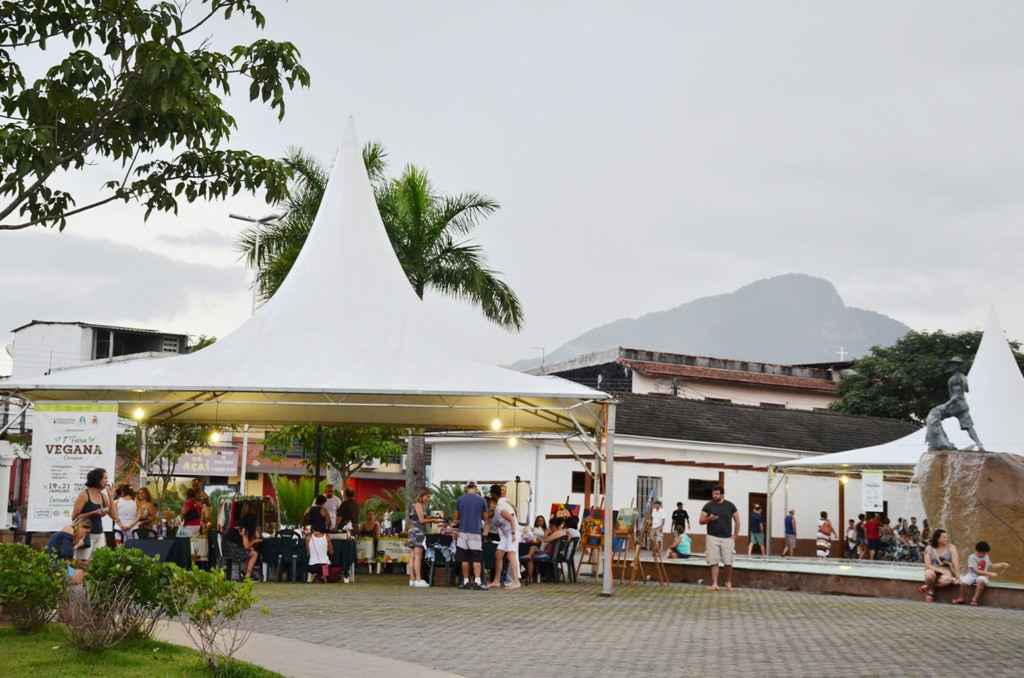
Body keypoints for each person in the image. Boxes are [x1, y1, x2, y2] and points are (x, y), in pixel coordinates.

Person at [699, 486, 740, 591]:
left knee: (728, 562)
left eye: (717, 494)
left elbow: (737, 520)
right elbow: (701, 521)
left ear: (722, 494)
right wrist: (709, 518)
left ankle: (728, 583)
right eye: (714, 494)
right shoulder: (708, 506)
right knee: (713, 561)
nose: (715, 496)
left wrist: (735, 535)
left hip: (727, 538)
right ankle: (715, 584)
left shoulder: (730, 506)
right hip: (712, 537)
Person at [71, 468, 112, 564]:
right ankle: (71, 577)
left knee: (98, 562)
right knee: (80, 563)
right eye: (105, 478)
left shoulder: (103, 496)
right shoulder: (84, 495)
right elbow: (74, 517)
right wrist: (93, 513)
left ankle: (89, 579)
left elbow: (112, 513)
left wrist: (110, 495)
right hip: (85, 535)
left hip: (99, 534)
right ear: (97, 479)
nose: (107, 481)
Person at [955, 541, 1009, 606]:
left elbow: (991, 565)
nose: (984, 554)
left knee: (981, 581)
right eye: (983, 553)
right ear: (977, 551)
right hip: (972, 575)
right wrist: (989, 573)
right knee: (963, 582)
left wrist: (1002, 564)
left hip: (983, 576)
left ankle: (974, 600)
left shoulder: (986, 556)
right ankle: (961, 598)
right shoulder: (971, 557)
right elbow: (975, 570)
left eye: (985, 553)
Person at [454, 481, 487, 590]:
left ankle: (466, 581)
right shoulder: (482, 500)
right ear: (476, 488)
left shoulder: (460, 499)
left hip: (463, 532)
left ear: (466, 488)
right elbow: (485, 518)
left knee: (464, 558)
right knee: (477, 558)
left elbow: (456, 518)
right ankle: (477, 581)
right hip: (476, 532)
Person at [489, 494, 520, 589]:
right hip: (505, 535)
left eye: (490, 504)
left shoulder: (500, 510)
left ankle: (516, 582)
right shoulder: (492, 514)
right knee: (498, 555)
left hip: (512, 532)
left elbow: (512, 519)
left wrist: (514, 533)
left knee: (511, 555)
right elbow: (487, 525)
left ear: (494, 503)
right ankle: (496, 581)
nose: (489, 506)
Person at [920, 528, 959, 602]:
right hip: (933, 569)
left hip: (946, 571)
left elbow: (956, 564)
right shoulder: (929, 548)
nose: (946, 539)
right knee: (929, 574)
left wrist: (958, 577)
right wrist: (940, 570)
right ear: (937, 538)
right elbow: (927, 565)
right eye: (944, 537)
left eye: (947, 537)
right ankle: (931, 591)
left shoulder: (951, 547)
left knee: (947, 580)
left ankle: (928, 586)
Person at [406, 489, 434, 588]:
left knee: (412, 556)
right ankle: (418, 579)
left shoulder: (415, 506)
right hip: (418, 532)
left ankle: (412, 579)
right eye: (427, 497)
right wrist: (434, 520)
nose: (428, 499)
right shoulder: (418, 505)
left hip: (412, 532)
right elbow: (422, 520)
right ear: (422, 496)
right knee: (418, 556)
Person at [306, 495, 333, 583]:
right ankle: (324, 576)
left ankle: (314, 575)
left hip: (311, 533)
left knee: (313, 555)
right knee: (326, 557)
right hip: (322, 532)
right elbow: (329, 522)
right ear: (323, 503)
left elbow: (304, 519)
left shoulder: (309, 509)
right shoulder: (323, 510)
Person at [238, 503, 263, 581]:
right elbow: (246, 546)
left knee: (251, 550)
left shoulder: (242, 523)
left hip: (231, 548)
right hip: (234, 550)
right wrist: (255, 540)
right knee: (254, 554)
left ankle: (245, 572)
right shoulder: (245, 529)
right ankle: (248, 575)